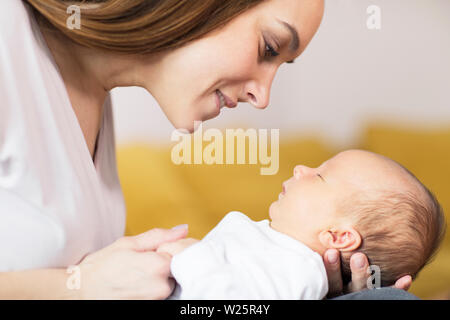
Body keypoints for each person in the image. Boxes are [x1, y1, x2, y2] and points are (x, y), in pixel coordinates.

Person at [0, 0, 411, 299]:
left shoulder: (96, 106)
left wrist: (306, 281)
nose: (263, 96)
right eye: (269, 48)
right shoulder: (8, 40)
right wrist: (74, 289)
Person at [159, 150, 445, 299]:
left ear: (339, 236)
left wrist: (189, 256)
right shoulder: (277, 247)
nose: (301, 169)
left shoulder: (297, 270)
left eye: (319, 176)